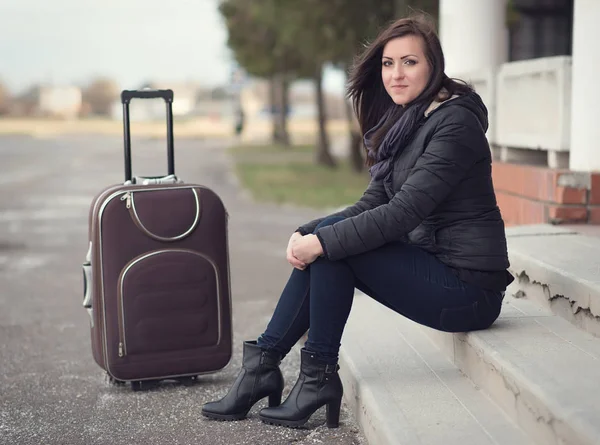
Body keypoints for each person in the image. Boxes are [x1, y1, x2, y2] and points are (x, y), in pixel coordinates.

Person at [201, 14, 514, 429]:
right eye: (388, 63)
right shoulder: (411, 121)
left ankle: (312, 377)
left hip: (469, 290)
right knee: (327, 242)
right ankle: (266, 367)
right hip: (437, 267)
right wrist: (309, 230)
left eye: (409, 62)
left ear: (432, 65)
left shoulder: (454, 124)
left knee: (335, 253)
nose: (395, 74)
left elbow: (404, 212)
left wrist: (322, 243)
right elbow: (373, 201)